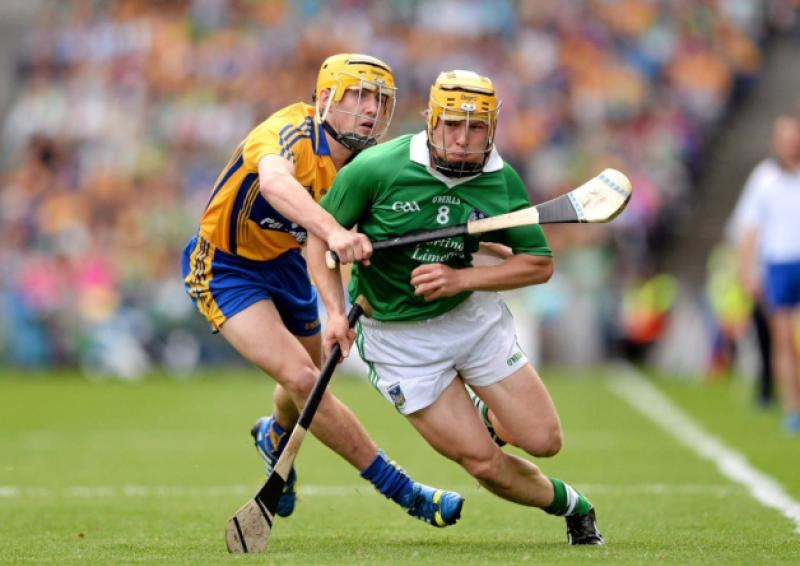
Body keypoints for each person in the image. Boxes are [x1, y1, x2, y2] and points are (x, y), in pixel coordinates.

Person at [308, 70, 605, 545]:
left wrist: (462, 278)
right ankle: (574, 506)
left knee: (545, 440)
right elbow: (318, 242)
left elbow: (538, 263)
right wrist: (335, 313)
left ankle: (486, 415)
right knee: (483, 461)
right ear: (430, 121)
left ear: (493, 128)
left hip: (472, 321)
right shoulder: (376, 169)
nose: (463, 140)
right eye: (451, 125)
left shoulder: (500, 180)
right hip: (398, 340)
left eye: (476, 128)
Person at [181, 53, 464, 526]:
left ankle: (275, 435)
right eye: (359, 95)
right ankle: (404, 491)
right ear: (327, 98)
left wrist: (336, 310)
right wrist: (334, 231)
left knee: (310, 378)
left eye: (379, 99)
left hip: (289, 266)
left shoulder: (368, 162)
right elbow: (274, 183)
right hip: (226, 268)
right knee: (303, 379)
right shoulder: (288, 132)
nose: (371, 109)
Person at [735, 114, 800, 434]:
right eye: (785, 137)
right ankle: (792, 407)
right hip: (779, 265)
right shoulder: (764, 178)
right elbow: (749, 229)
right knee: (783, 339)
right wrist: (747, 270)